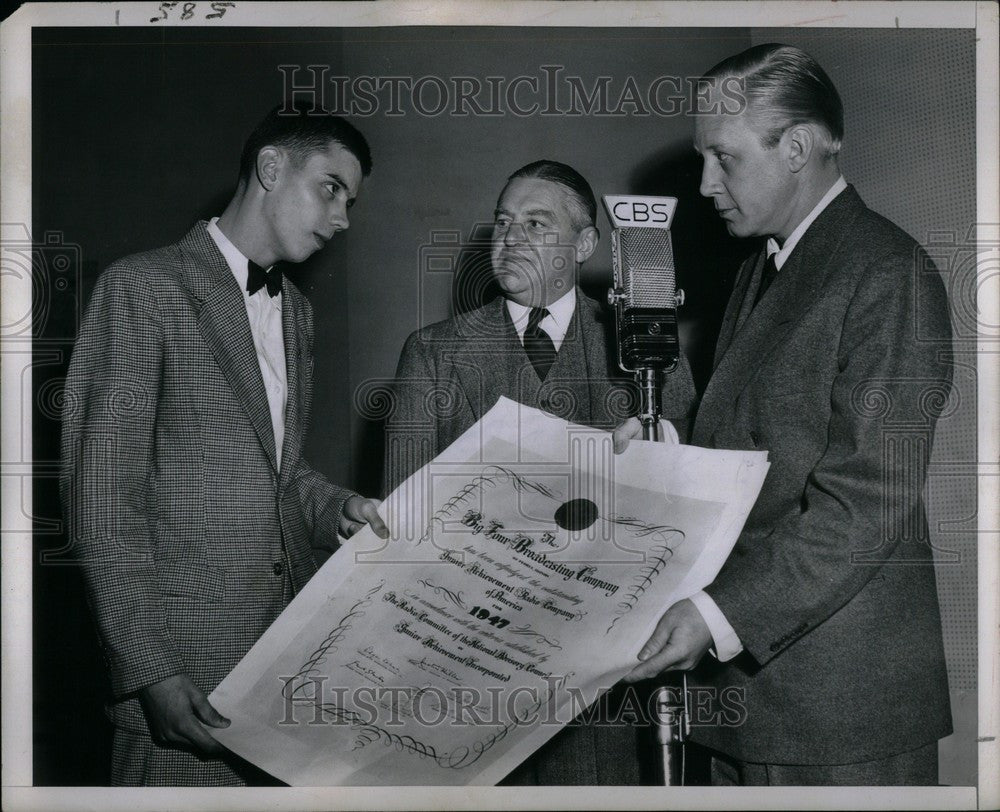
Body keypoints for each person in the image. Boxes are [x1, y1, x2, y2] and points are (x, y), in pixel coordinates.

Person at [615, 44, 953, 785]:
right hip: (755, 700)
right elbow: (759, 439)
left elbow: (866, 504)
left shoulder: (886, 271)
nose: (705, 184)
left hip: (838, 710)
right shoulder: (763, 267)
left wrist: (716, 616)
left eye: (723, 158)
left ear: (796, 147)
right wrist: (665, 443)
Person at [60, 104, 389, 786]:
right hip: (181, 686)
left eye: (350, 202)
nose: (342, 219)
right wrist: (149, 671)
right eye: (331, 188)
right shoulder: (142, 288)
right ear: (271, 168)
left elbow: (280, 475)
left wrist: (339, 509)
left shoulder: (296, 312)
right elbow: (99, 500)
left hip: (282, 682)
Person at [384, 159, 697, 784]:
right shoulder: (434, 353)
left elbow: (681, 510)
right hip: (471, 670)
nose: (510, 239)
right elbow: (401, 520)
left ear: (584, 244)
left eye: (536, 223)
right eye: (503, 223)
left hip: (604, 685)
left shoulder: (645, 348)